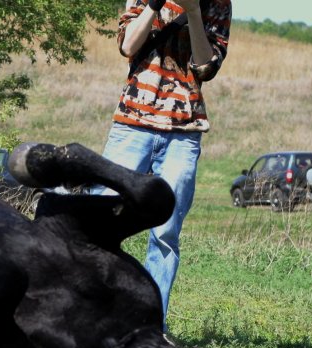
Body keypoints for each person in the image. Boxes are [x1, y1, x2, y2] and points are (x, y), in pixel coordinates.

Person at [97, 0, 231, 331]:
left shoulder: (219, 4)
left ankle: (150, 327)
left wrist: (195, 12)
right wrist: (155, 4)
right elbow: (127, 45)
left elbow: (206, 67)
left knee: (166, 232)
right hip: (132, 123)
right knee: (99, 217)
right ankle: (93, 314)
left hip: (183, 132)